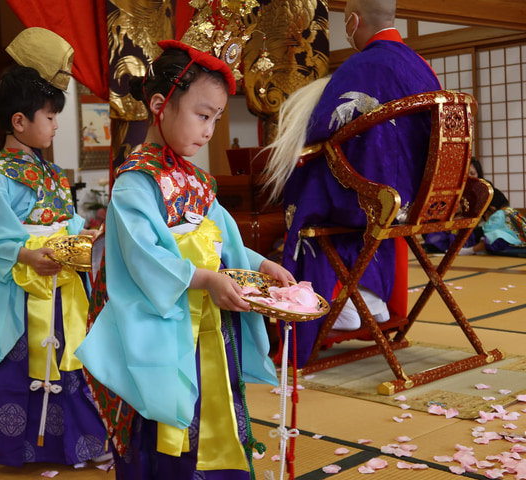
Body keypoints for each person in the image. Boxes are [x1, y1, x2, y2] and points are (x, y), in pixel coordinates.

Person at [75, 39, 294, 479]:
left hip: (206, 322)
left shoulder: (197, 181)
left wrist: (259, 264)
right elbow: (144, 258)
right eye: (202, 114)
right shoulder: (135, 182)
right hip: (165, 324)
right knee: (170, 414)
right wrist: (206, 280)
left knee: (215, 406)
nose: (210, 129)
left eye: (215, 117)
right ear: (160, 105)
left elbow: (221, 241)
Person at [0, 27, 108, 467]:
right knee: (22, 367)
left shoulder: (52, 173)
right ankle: (17, 449)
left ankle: (80, 443)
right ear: (19, 122)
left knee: (69, 361)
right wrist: (25, 254)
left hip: (58, 281)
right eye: (49, 116)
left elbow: (69, 218)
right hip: (23, 291)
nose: (56, 125)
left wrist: (82, 235)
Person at [265, 0, 442, 362]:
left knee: (307, 196)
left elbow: (320, 127)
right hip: (418, 196)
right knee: (351, 196)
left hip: (375, 200)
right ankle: (370, 301)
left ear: (354, 21)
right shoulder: (422, 66)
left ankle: (322, 307)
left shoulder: (361, 66)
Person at [459, 188, 526, 254]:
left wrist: (483, 221)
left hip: (512, 243)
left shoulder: (499, 213)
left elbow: (489, 228)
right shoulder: (511, 210)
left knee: (493, 235)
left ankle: (470, 250)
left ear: (491, 209)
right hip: (518, 240)